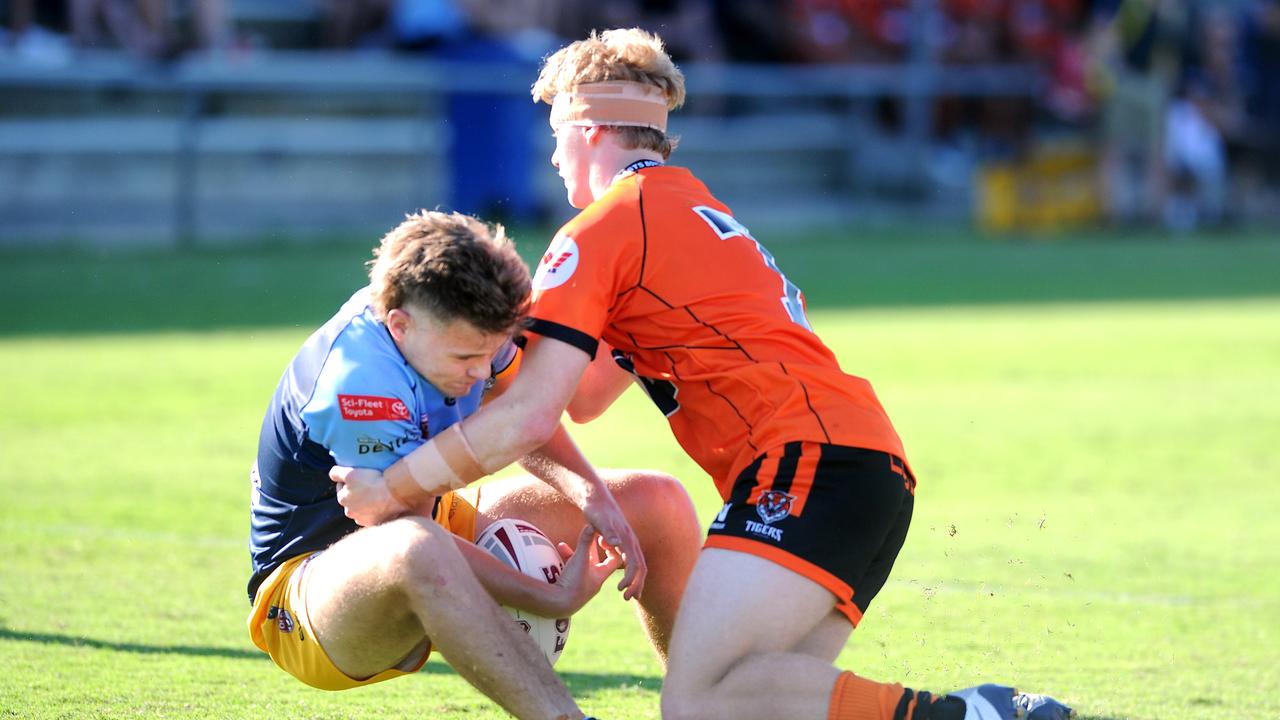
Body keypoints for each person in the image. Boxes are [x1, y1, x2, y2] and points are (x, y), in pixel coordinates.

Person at [332, 29, 1074, 720]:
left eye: (557, 136)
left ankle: (974, 714)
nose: (554, 158)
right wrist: (496, 340)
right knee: (756, 708)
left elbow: (530, 415)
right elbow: (583, 398)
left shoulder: (604, 227)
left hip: (806, 465)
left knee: (698, 702)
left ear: (587, 130)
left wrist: (395, 486)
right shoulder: (691, 210)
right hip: (864, 470)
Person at [248, 209, 701, 720]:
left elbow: (519, 418)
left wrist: (594, 499)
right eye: (466, 358)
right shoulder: (359, 383)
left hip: (436, 521)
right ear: (399, 325)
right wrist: (548, 596)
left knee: (656, 502)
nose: (482, 371)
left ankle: (705, 707)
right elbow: (410, 535)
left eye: (491, 353)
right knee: (414, 547)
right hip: (311, 601)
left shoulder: (461, 324)